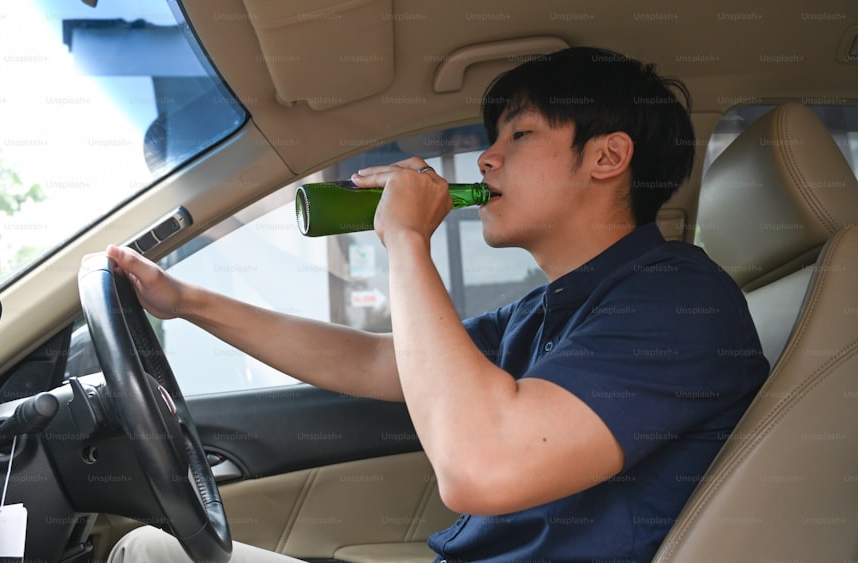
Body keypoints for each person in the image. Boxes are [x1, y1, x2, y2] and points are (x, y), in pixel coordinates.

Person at [105, 46, 769, 563]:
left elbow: (481, 468)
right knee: (153, 549)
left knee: (147, 554)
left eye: (520, 136)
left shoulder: (681, 302)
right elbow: (374, 362)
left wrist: (405, 241)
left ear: (607, 155)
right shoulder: (551, 307)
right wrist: (187, 301)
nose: (486, 159)